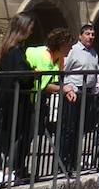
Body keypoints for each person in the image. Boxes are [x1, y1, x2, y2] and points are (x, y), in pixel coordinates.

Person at [26, 27, 74, 175]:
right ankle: (11, 169)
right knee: (24, 136)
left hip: (38, 100)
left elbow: (57, 81)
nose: (71, 48)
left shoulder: (59, 58)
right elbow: (44, 85)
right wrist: (65, 89)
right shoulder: (44, 57)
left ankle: (19, 169)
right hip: (26, 98)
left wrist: (67, 89)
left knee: (30, 136)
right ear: (61, 44)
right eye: (69, 45)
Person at [0, 14, 37, 184]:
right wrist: (33, 72)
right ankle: (13, 170)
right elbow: (23, 76)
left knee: (11, 135)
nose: (32, 31)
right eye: (30, 27)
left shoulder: (7, 49)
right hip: (17, 101)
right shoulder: (15, 51)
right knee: (19, 135)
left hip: (8, 98)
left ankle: (11, 169)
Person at [59, 22, 99, 173]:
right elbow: (64, 70)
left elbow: (95, 72)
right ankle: (63, 163)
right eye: (87, 34)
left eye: (92, 34)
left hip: (87, 93)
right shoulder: (74, 51)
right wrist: (66, 86)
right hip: (73, 93)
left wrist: (97, 88)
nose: (90, 37)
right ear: (80, 36)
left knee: (80, 129)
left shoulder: (94, 53)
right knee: (69, 128)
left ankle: (74, 161)